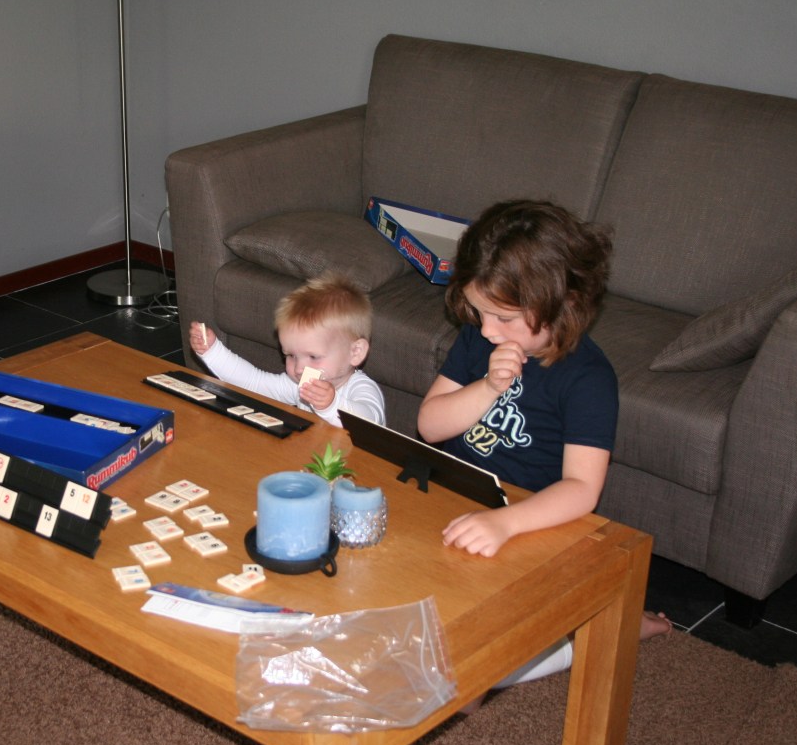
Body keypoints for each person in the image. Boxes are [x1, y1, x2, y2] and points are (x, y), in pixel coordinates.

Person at [417, 200, 669, 697]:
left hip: (534, 523)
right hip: (464, 500)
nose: (488, 329)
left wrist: (505, 522)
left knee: (461, 679)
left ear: (562, 304)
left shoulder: (589, 379)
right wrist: (487, 387)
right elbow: (429, 425)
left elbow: (582, 489)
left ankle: (615, 627)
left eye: (503, 318)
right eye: (480, 312)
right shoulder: (480, 341)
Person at [189, 272, 386, 427]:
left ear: (355, 352)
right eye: (291, 355)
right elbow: (254, 382)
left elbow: (369, 422)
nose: (299, 368)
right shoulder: (298, 384)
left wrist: (331, 405)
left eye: (313, 356)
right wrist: (212, 351)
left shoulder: (360, 388)